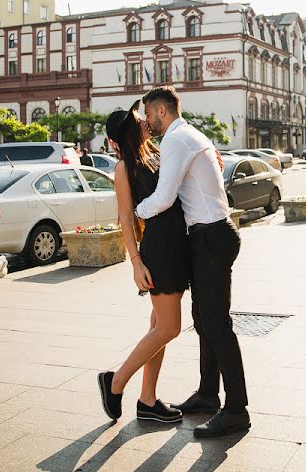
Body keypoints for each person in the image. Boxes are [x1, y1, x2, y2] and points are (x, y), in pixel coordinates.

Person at [135, 86, 250, 438]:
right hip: (209, 234)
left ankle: (236, 409)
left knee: (216, 324)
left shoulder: (176, 139)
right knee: (204, 320)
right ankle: (207, 395)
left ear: (161, 111)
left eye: (148, 114)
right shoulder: (188, 134)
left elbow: (165, 196)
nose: (147, 122)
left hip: (211, 235)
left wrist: (133, 213)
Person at [97, 100, 191, 424]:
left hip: (177, 245)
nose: (144, 120)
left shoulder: (157, 152)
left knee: (157, 327)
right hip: (158, 250)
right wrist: (135, 262)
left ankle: (147, 400)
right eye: (138, 119)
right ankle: (116, 382)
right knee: (169, 327)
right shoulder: (124, 167)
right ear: (126, 131)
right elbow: (125, 217)